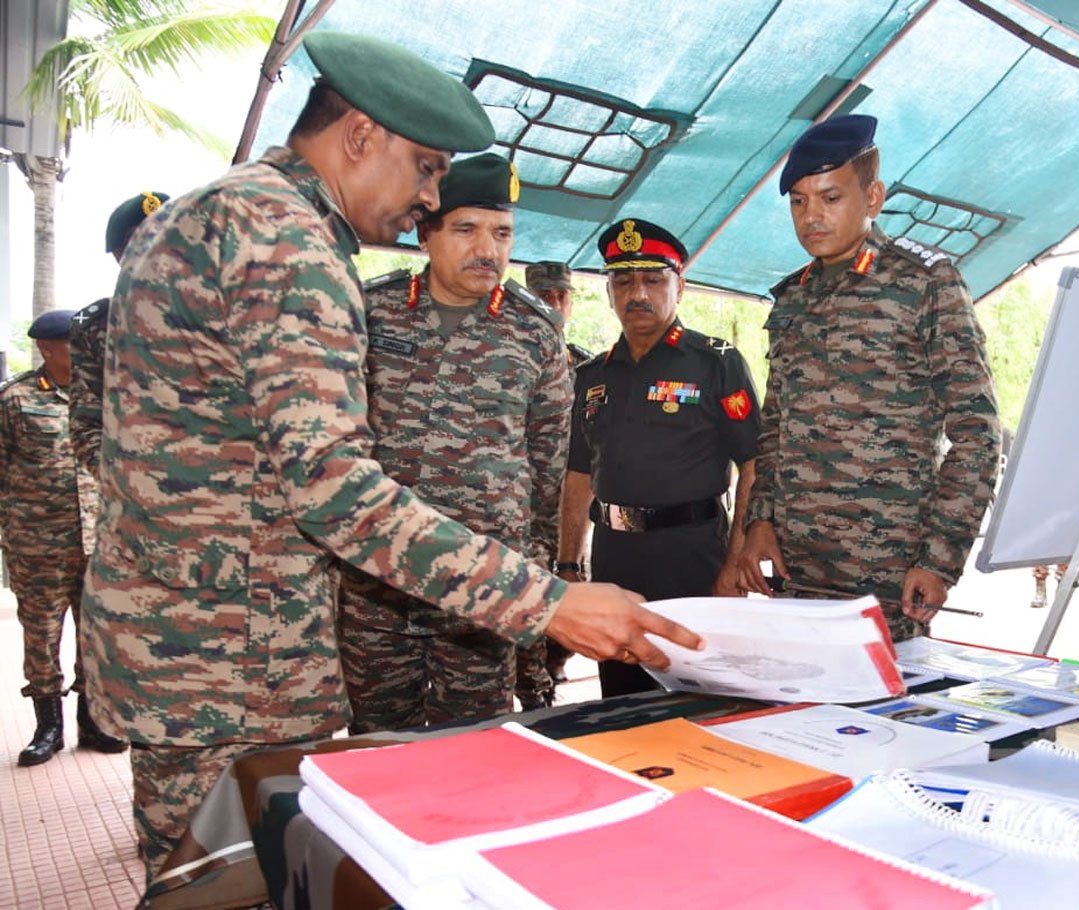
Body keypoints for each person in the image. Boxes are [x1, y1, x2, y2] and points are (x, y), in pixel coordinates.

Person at [78, 32, 701, 882]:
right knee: (230, 888)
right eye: (428, 170)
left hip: (198, 646)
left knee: (220, 880)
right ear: (361, 135)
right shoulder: (285, 240)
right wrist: (548, 602)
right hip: (228, 667)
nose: (429, 198)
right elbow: (335, 490)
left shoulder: (226, 209)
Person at [737, 114, 1001, 640]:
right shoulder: (793, 298)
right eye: (799, 201)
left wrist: (939, 557)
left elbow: (977, 432)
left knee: (878, 720)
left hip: (888, 576)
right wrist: (759, 520)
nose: (812, 216)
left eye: (830, 198)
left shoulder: (924, 283)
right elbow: (777, 426)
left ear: (873, 197)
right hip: (797, 574)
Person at [338, 153, 571, 727]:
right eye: (466, 229)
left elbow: (547, 469)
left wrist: (530, 567)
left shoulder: (534, 332)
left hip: (486, 586)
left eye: (502, 233)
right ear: (426, 234)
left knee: (475, 745)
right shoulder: (372, 312)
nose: (488, 249)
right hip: (378, 581)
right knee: (377, 738)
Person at [558, 218, 761, 697]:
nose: (638, 294)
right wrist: (568, 565)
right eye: (623, 281)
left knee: (698, 694)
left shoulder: (716, 362)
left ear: (680, 287)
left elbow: (754, 466)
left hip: (691, 557)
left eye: (653, 279)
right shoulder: (591, 375)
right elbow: (579, 474)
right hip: (614, 561)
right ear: (608, 293)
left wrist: (734, 563)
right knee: (621, 696)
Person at [0, 310, 124, 767]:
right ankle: (47, 728)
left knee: (95, 635)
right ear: (48, 348)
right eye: (73, 343)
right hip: (37, 545)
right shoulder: (14, 400)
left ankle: (92, 723)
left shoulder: (102, 396)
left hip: (98, 542)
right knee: (42, 637)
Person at [517, 260, 593, 698]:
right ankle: (532, 688)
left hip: (568, 511)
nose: (554, 302)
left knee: (567, 605)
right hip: (523, 511)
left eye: (561, 295)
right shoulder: (510, 358)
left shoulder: (588, 367)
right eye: (544, 295)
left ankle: (553, 673)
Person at [70, 191, 171, 477]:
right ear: (119, 255)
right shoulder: (96, 326)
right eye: (136, 240)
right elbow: (86, 425)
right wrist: (127, 486)